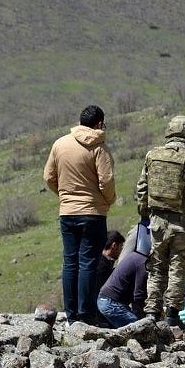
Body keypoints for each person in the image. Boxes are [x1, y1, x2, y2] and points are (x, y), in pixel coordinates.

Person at [136, 115, 185, 327]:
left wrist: (144, 215)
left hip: (157, 222)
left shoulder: (153, 155)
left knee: (157, 266)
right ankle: (171, 314)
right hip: (183, 223)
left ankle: (151, 312)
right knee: (178, 267)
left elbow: (142, 188)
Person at [43, 105, 116, 325]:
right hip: (92, 213)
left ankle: (72, 314)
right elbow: (106, 181)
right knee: (88, 264)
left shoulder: (60, 144)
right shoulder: (99, 148)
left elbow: (48, 176)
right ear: (99, 124)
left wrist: (64, 196)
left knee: (70, 262)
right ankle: (86, 314)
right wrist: (107, 200)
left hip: (67, 212)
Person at [96, 251, 148, 329]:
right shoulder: (142, 262)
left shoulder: (135, 256)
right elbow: (139, 295)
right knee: (140, 329)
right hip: (112, 303)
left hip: (107, 300)